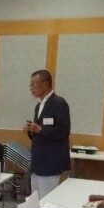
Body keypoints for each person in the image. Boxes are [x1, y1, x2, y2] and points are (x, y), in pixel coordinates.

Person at [24, 69, 71, 199]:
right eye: (30, 85)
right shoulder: (38, 106)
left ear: (45, 84)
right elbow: (39, 135)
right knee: (35, 201)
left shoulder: (59, 103)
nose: (31, 88)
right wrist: (31, 130)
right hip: (37, 162)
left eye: (33, 84)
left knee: (47, 201)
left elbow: (64, 131)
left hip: (50, 163)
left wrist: (40, 129)